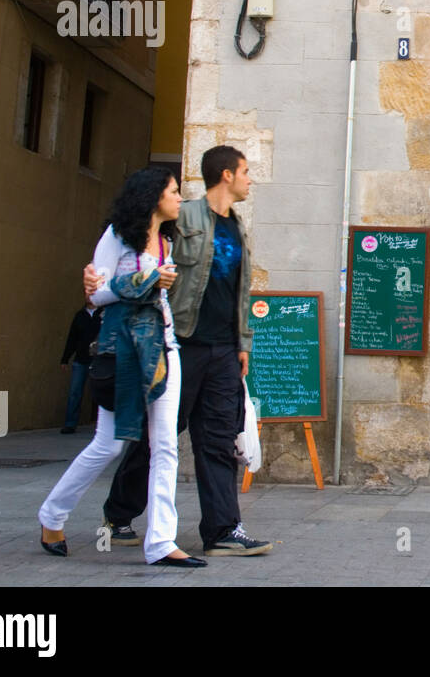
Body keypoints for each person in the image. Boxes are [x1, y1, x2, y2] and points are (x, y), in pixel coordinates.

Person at [86, 146, 270, 557]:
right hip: (180, 342)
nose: (249, 179)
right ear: (226, 174)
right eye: (245, 171)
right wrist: (98, 277)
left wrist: (243, 342)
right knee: (159, 436)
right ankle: (118, 515)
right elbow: (133, 239)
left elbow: (241, 292)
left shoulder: (238, 228)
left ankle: (223, 529)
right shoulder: (181, 216)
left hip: (223, 349)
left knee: (220, 437)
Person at [39, 167, 205, 567]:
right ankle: (52, 514)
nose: (179, 198)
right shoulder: (116, 237)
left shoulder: (166, 240)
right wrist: (148, 279)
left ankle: (161, 542)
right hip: (127, 352)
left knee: (165, 445)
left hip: (164, 349)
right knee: (109, 443)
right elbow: (96, 297)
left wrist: (157, 282)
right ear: (153, 197)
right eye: (173, 191)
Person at [59, 304, 102, 434]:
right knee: (75, 392)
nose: (89, 296)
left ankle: (102, 426)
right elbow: (72, 337)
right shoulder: (80, 315)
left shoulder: (104, 314)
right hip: (81, 359)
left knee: (101, 392)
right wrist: (65, 359)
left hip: (98, 359)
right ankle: (70, 424)